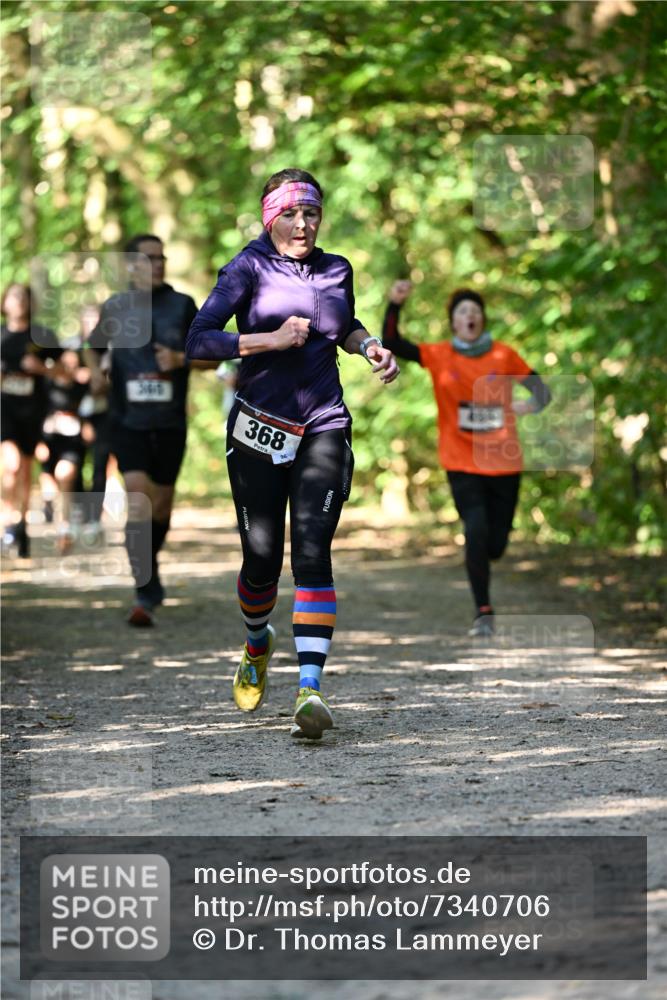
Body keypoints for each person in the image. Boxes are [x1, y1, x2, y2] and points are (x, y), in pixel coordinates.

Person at [186, 167, 399, 739]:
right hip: (258, 427)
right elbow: (198, 341)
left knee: (312, 548)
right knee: (261, 561)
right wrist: (268, 340)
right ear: (270, 216)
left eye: (312, 214)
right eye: (291, 214)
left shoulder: (336, 269)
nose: (303, 225)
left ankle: (310, 688)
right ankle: (258, 641)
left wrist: (370, 346)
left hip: (323, 423)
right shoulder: (247, 267)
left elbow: (342, 324)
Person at [382, 280, 551, 637]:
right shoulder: (439, 355)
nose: (470, 316)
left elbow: (542, 391)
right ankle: (483, 611)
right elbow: (394, 343)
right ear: (453, 323)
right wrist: (395, 305)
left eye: (475, 311)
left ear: (482, 320)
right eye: (463, 312)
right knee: (474, 530)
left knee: (495, 544)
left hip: (504, 461)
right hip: (460, 460)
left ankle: (486, 559)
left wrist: (526, 405)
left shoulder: (503, 355)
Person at [86, 235, 202, 626]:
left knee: (163, 505)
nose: (157, 264)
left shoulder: (182, 305)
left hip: (169, 422)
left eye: (161, 257)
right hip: (127, 419)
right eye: (148, 258)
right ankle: (144, 589)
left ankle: (148, 571)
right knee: (138, 499)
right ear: (130, 265)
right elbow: (93, 345)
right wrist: (97, 373)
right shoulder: (116, 306)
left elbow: (211, 353)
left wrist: (180, 358)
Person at [1, 283, 62, 558]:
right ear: (4, 303)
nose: (20, 301)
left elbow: (67, 370)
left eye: (25, 296)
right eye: (14, 296)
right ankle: (7, 522)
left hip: (33, 411)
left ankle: (20, 523)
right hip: (4, 411)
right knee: (11, 465)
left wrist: (42, 369)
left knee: (25, 470)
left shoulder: (43, 335)